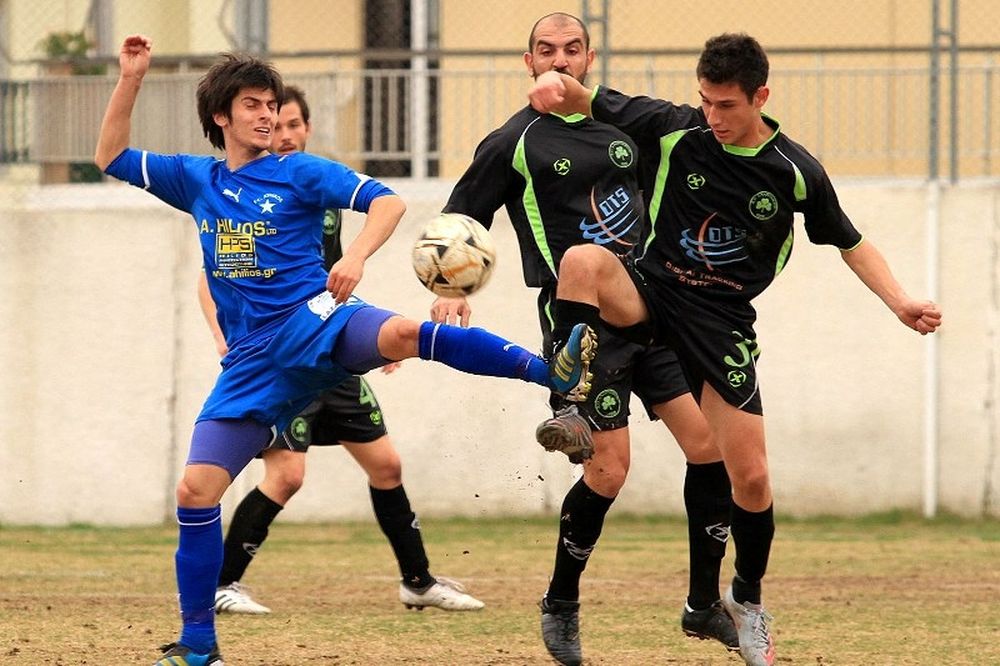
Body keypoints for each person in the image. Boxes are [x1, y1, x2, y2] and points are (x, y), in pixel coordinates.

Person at [95, 35, 578, 666]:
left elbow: (389, 201)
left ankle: (554, 372)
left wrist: (353, 256)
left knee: (406, 334)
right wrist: (131, 77)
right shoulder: (199, 179)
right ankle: (197, 643)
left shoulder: (298, 172)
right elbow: (110, 155)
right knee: (195, 492)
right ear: (222, 116)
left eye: (272, 104)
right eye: (252, 105)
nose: (268, 116)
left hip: (314, 322)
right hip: (252, 363)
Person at [528, 32, 943, 666]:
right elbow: (587, 97)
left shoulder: (795, 171)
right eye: (706, 102)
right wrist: (556, 87)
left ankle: (740, 599)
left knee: (747, 475)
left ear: (760, 98)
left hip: (719, 322)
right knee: (582, 260)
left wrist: (900, 302)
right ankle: (573, 397)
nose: (713, 118)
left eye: (725, 106)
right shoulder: (676, 130)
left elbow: (850, 241)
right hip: (651, 288)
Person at [437, 13, 736, 666]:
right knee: (609, 470)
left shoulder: (621, 121)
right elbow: (462, 216)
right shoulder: (513, 142)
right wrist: (448, 288)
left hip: (653, 310)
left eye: (572, 50)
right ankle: (561, 601)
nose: (560, 60)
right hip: (580, 320)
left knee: (712, 448)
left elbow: (699, 135)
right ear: (528, 62)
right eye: (547, 51)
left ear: (589, 58)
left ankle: (702, 604)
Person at [200, 85, 483, 616]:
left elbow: (344, 268)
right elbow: (214, 273)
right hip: (281, 358)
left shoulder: (316, 188)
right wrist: (225, 337)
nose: (282, 134)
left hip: (329, 347)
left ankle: (417, 582)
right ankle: (221, 584)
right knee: (286, 476)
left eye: (291, 126)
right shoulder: (241, 194)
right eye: (272, 124)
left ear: (305, 130)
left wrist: (371, 341)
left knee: (387, 466)